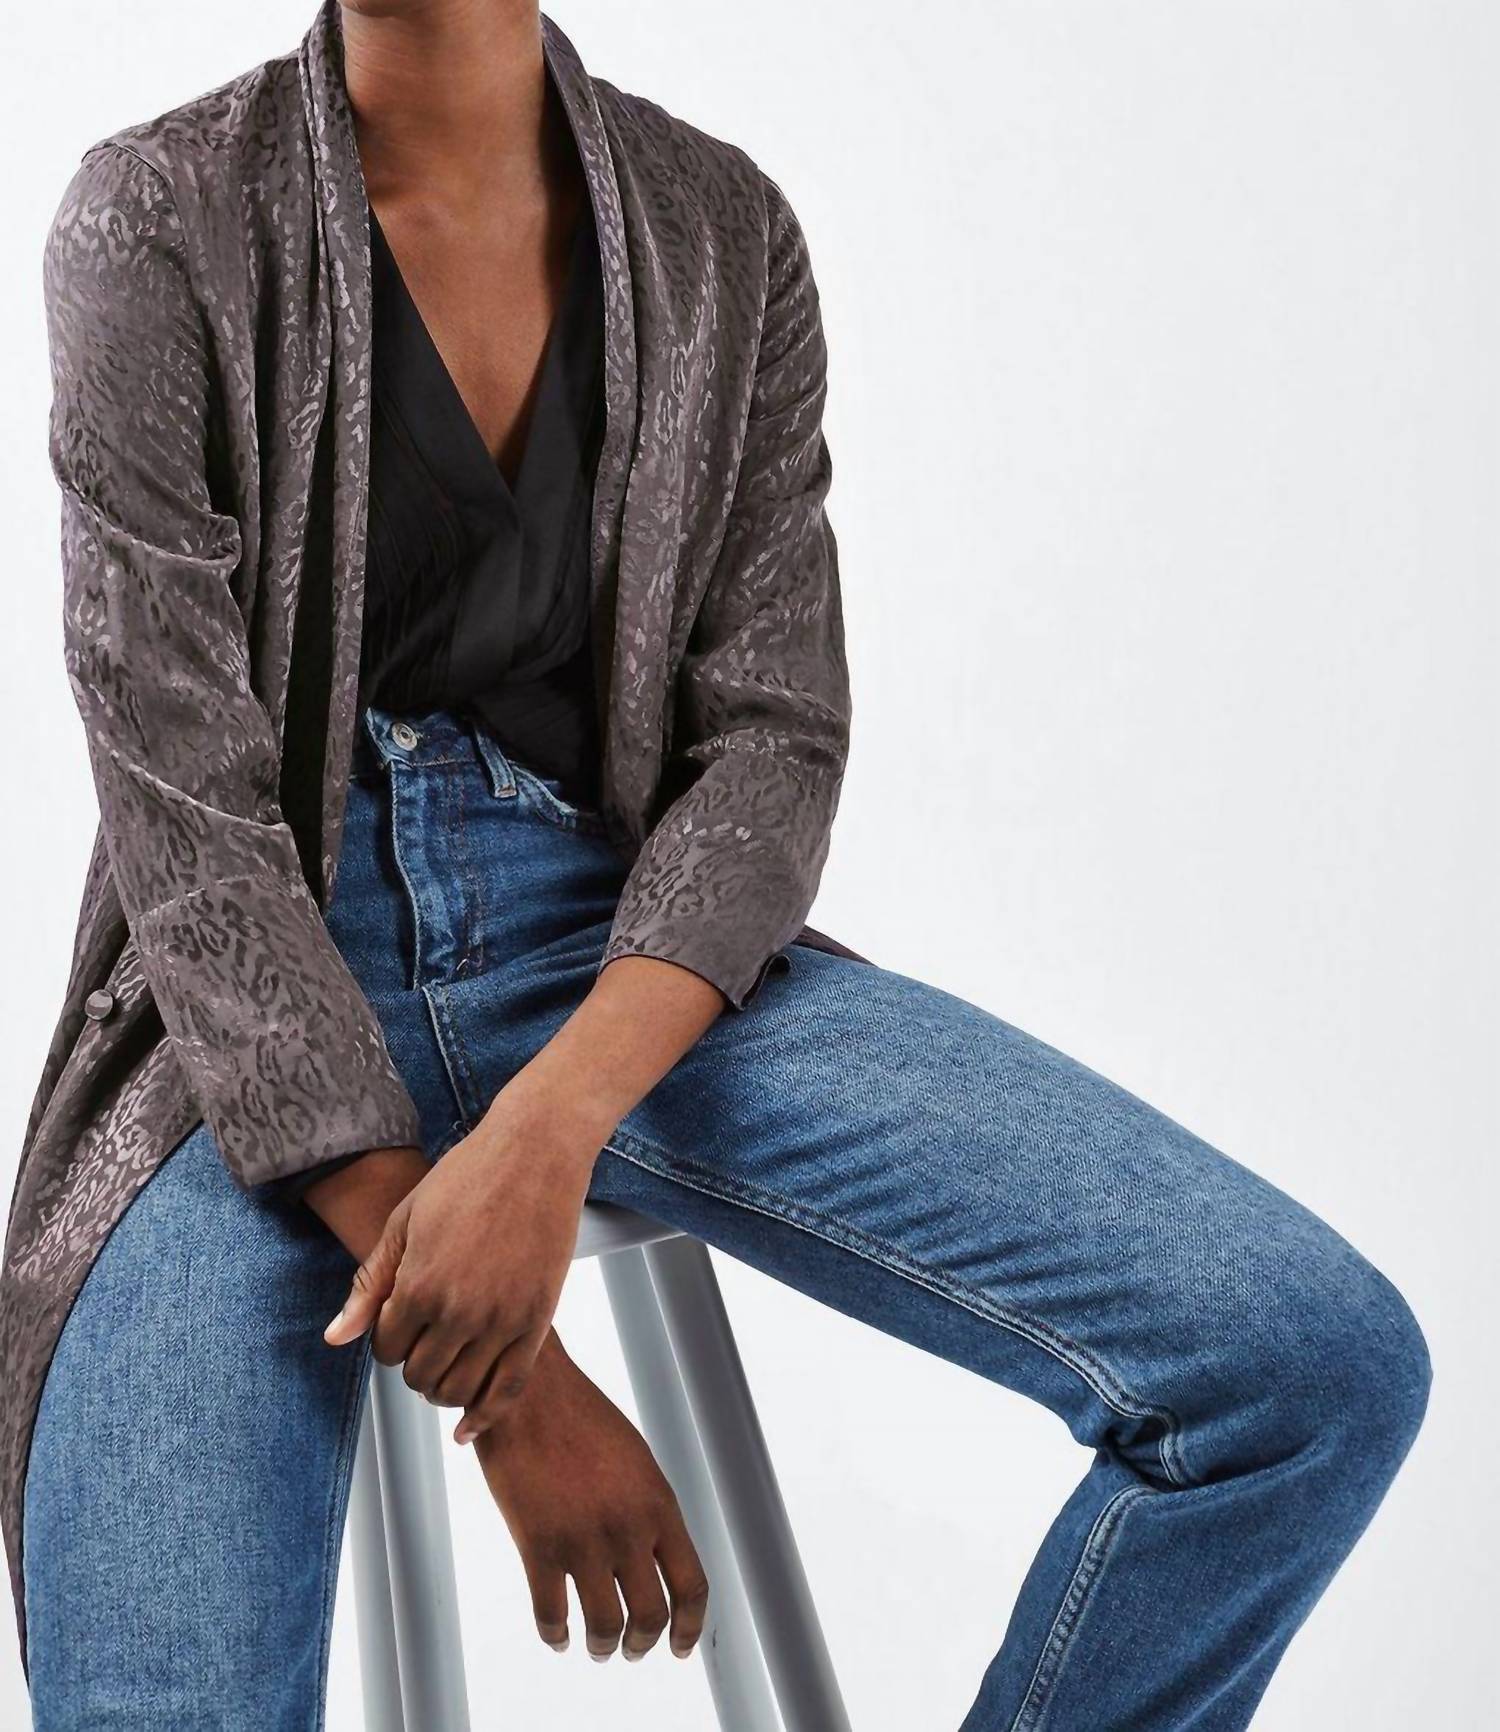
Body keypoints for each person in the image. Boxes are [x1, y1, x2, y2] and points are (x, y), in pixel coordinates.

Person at [5, 1, 1431, 1726]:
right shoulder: (158, 217)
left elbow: (773, 743)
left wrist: (551, 1128)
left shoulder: (720, 228)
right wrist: (512, 1388)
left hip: (617, 946)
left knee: (1308, 1366)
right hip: (241, 1021)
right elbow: (187, 815)